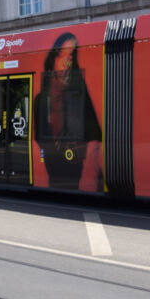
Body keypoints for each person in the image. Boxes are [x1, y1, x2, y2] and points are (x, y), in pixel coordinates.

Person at [34, 32, 102, 191]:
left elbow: (94, 138)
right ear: (52, 59)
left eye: (70, 57)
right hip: (53, 175)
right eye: (60, 55)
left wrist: (90, 173)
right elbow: (39, 139)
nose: (64, 63)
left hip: (76, 175)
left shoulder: (79, 94)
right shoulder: (40, 100)